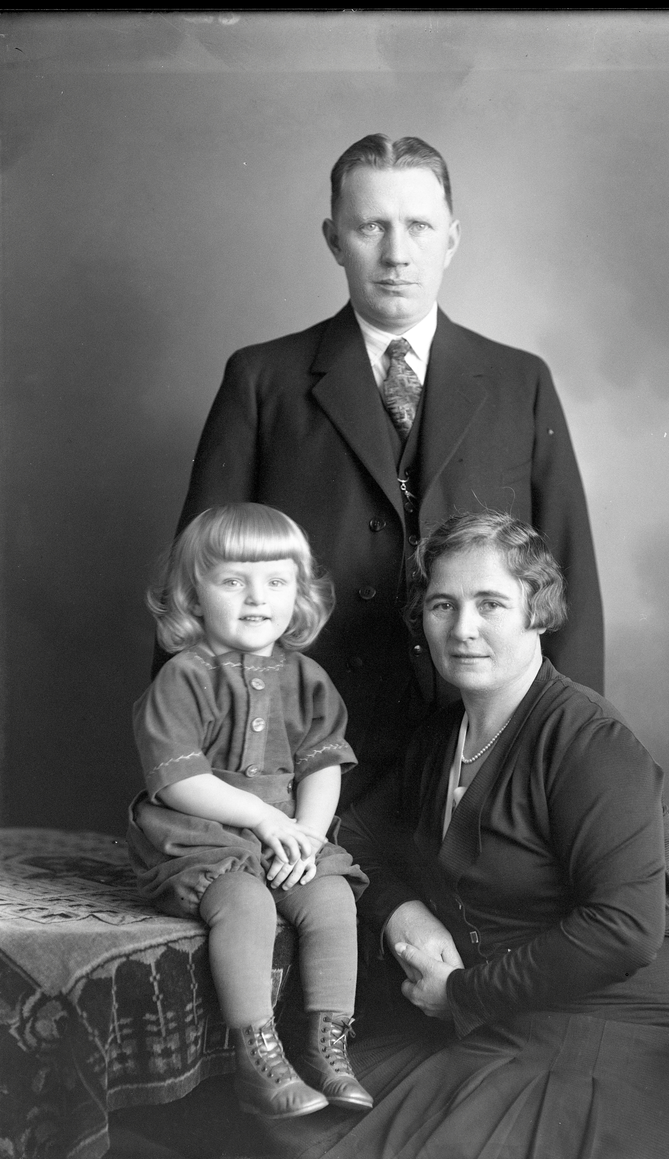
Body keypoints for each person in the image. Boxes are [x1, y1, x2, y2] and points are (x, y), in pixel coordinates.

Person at [264, 511, 669, 1159]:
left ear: (538, 613)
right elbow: (353, 834)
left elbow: (624, 930)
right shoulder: (442, 734)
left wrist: (461, 994)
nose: (462, 629)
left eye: (490, 604)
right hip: (510, 1019)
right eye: (442, 605)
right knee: (284, 1128)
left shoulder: (590, 741)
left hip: (630, 1037)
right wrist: (404, 914)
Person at [163, 133, 604, 808]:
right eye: (371, 226)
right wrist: (186, 757)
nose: (397, 253)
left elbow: (566, 573)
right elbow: (196, 577)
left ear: (451, 239)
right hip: (299, 748)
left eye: (418, 226)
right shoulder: (262, 379)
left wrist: (574, 745)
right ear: (334, 240)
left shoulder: (520, 382)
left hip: (480, 742)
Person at [127, 502, 373, 1121]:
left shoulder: (308, 679)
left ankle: (326, 1045)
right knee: (247, 903)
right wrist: (264, 820)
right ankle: (256, 1057)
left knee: (332, 898)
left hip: (285, 833)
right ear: (193, 595)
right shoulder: (184, 678)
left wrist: (307, 836)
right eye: (234, 580)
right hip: (200, 837)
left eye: (277, 581)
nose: (257, 597)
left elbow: (321, 766)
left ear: (300, 594)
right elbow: (180, 781)